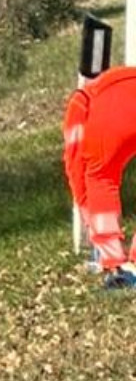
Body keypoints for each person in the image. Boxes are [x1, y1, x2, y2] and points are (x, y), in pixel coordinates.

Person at [64, 65, 136, 288]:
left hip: (110, 116)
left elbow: (76, 169)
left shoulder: (80, 105)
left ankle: (116, 265)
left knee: (100, 178)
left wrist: (89, 220)